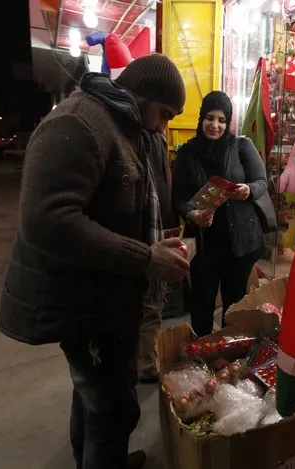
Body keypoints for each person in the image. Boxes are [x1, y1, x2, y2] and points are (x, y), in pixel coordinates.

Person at [0, 54, 190, 469]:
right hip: (80, 302)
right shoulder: (80, 121)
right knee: (112, 411)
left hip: (104, 300)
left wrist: (161, 237)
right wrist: (144, 257)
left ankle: (96, 459)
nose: (163, 126)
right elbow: (47, 220)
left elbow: (129, 202)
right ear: (143, 96)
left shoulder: (127, 126)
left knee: (93, 396)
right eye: (164, 114)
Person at [172, 91, 267, 337]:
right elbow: (178, 198)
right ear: (201, 118)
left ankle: (227, 358)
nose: (215, 125)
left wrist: (248, 190)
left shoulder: (241, 147)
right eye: (210, 118)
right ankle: (201, 358)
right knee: (201, 305)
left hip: (238, 243)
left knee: (234, 305)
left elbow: (261, 181)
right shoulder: (187, 153)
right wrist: (191, 215)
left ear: (228, 122)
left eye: (222, 120)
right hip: (203, 245)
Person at [137, 128, 181, 384]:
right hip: (146, 237)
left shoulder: (157, 138)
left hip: (161, 230)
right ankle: (144, 365)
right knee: (149, 307)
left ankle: (144, 360)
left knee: (154, 305)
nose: (167, 121)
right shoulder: (137, 138)